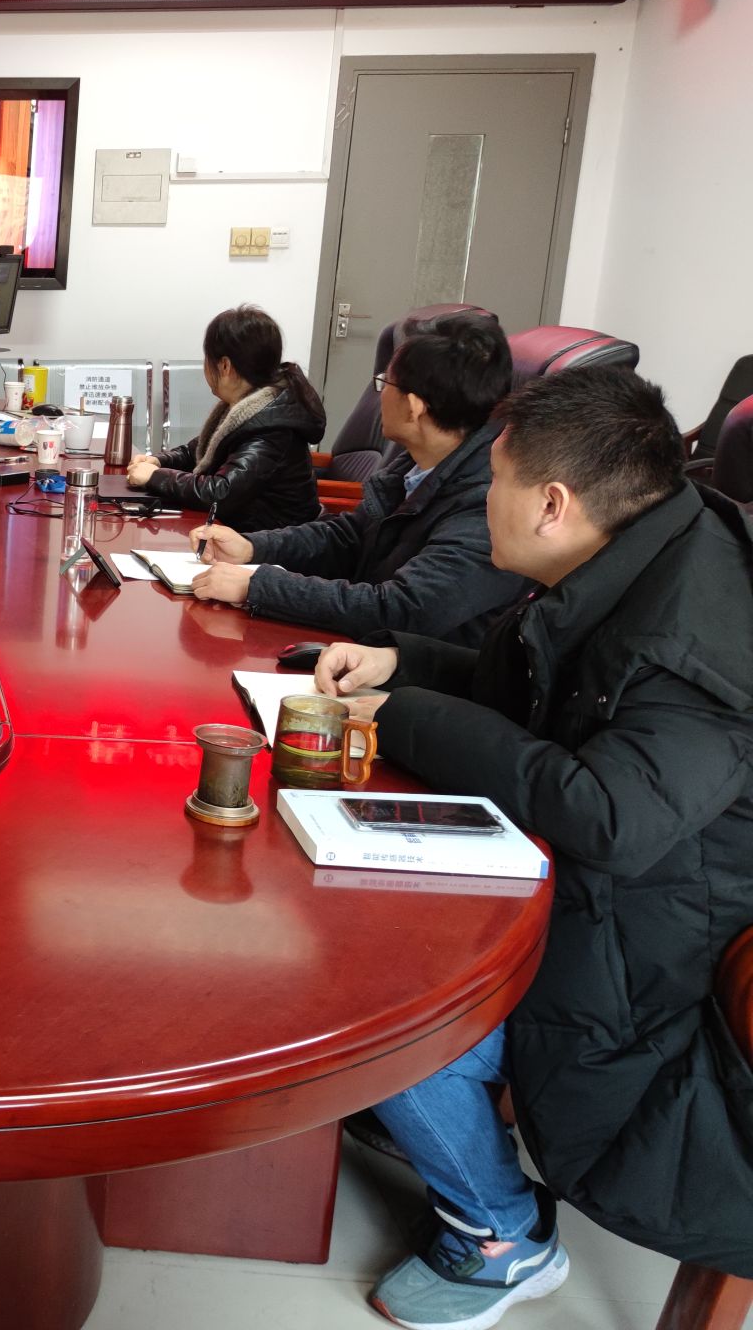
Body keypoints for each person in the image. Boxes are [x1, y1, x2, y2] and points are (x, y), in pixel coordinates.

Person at [312, 367, 753, 1329]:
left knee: (384, 994)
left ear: (551, 504)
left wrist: (405, 715)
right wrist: (404, 662)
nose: (483, 504)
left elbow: (611, 815)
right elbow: (546, 695)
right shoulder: (643, 546)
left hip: (656, 969)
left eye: (494, 485)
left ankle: (502, 1236)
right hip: (604, 898)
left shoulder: (699, 636)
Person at [188, 311, 526, 645]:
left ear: (414, 407)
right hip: (367, 650)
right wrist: (253, 547)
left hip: (416, 670)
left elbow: (400, 608)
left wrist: (258, 587)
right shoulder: (417, 464)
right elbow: (350, 536)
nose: (380, 394)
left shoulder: (485, 504)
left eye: (385, 382)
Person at [126, 304, 326, 530]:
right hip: (240, 530)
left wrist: (156, 477)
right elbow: (196, 451)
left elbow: (220, 493)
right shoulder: (248, 407)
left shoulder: (271, 428)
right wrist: (159, 461)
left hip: (268, 541)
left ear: (224, 365)